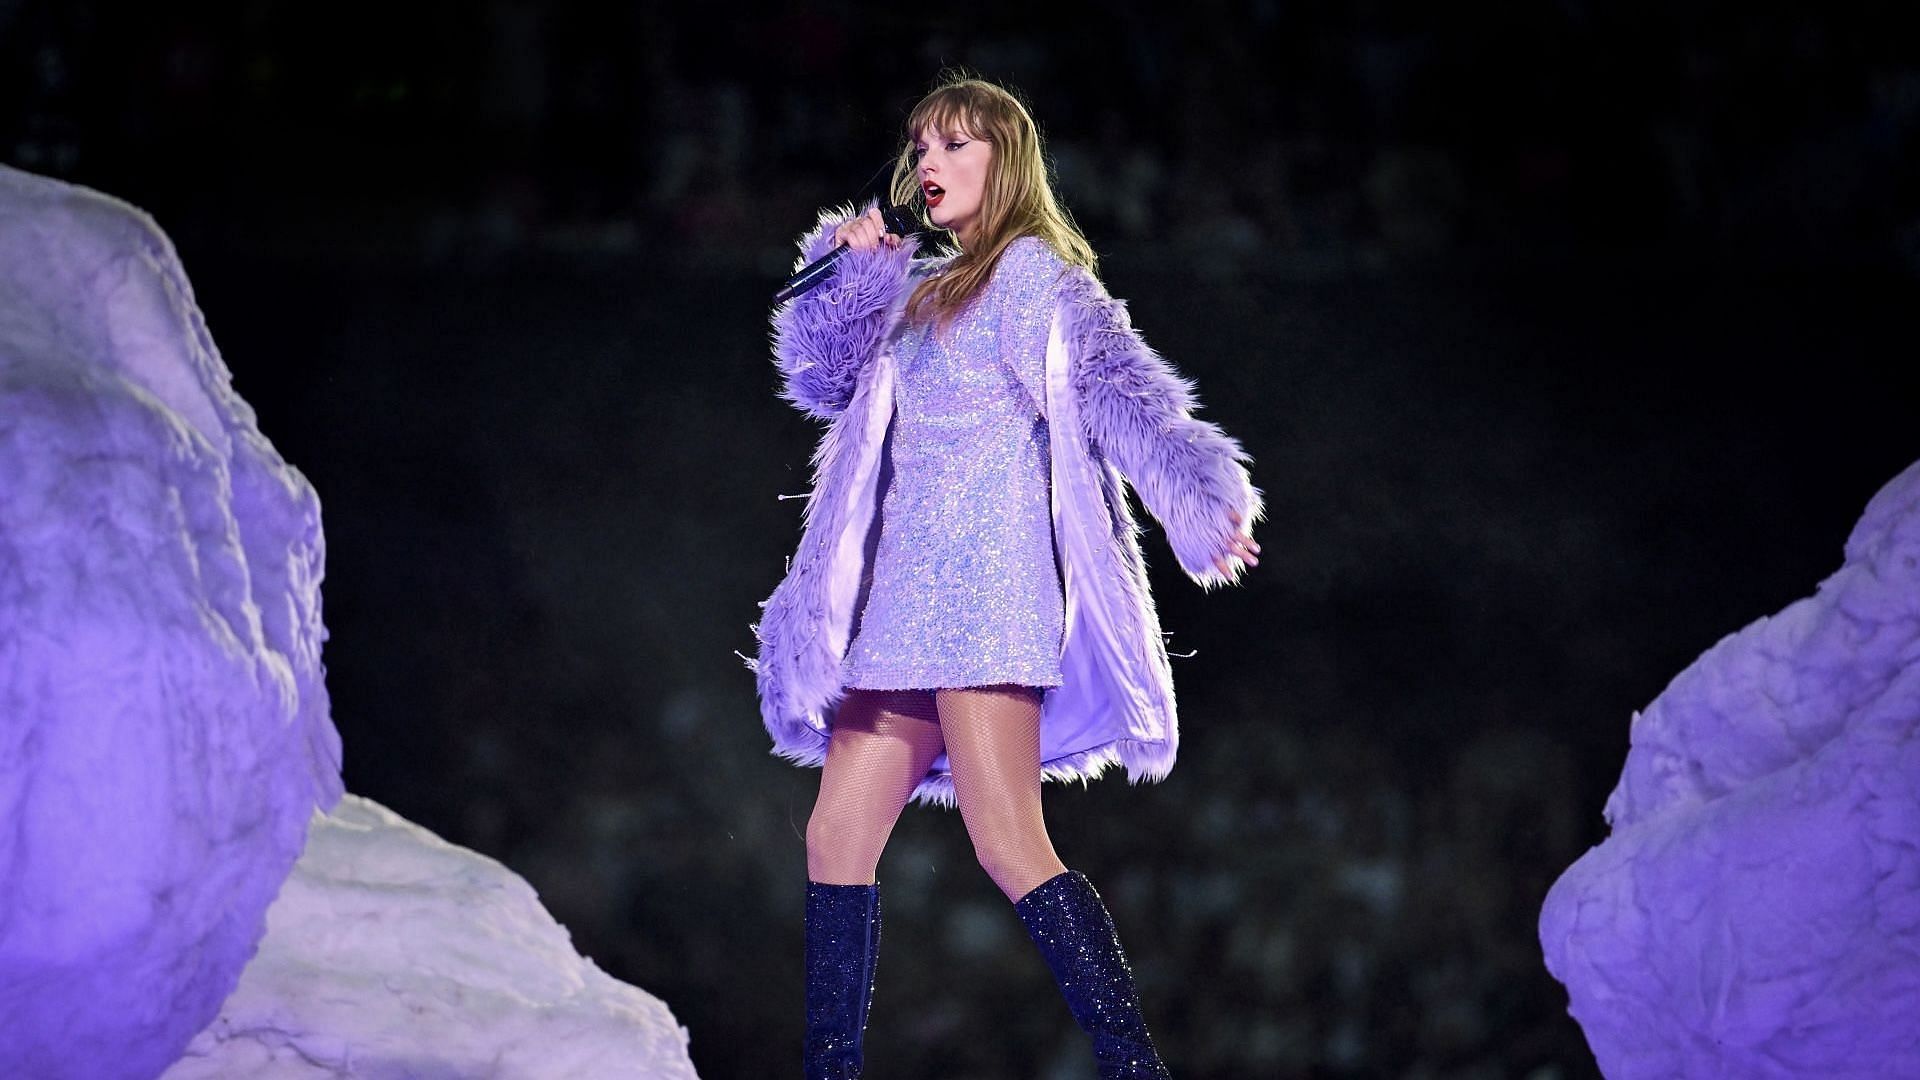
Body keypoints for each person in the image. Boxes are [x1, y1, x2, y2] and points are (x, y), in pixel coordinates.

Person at [753, 74, 1261, 1080]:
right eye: (921, 147)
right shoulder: (912, 288)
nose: (929, 163)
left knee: (1009, 845)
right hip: (900, 594)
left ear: (1006, 163)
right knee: (834, 838)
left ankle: (1131, 1066)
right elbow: (817, 381)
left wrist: (1199, 500)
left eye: (955, 145)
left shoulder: (1037, 282)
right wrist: (851, 271)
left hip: (991, 589)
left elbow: (1125, 399)